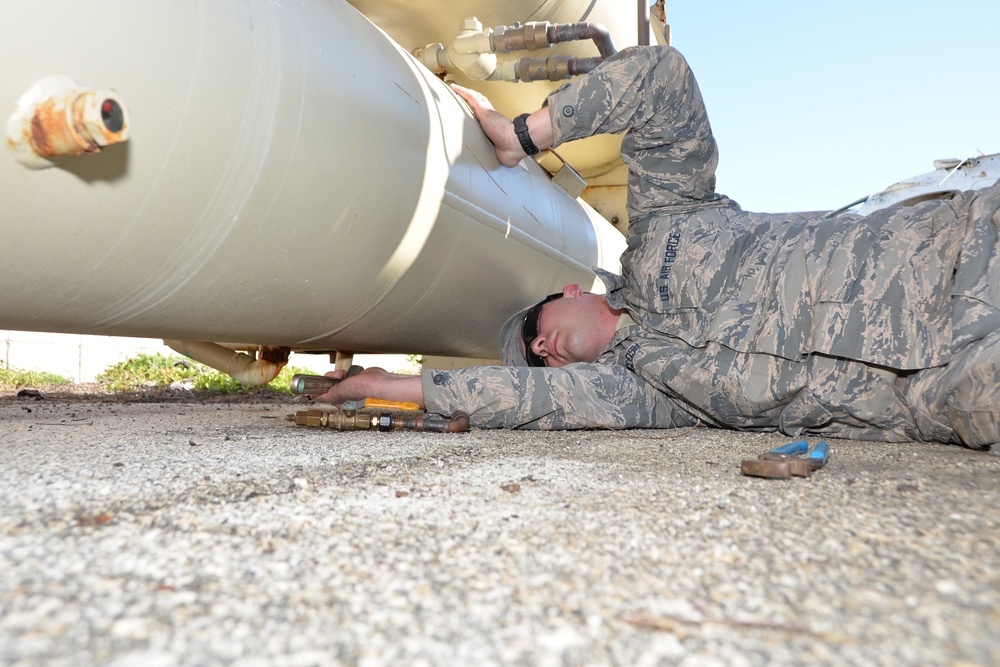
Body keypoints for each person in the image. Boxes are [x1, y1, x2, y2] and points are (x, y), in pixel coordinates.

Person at [317, 46, 1000, 449]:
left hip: (957, 253)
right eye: (536, 360)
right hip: (956, 388)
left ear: (573, 291)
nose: (541, 350)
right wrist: (390, 386)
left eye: (535, 330)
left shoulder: (666, 228)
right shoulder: (643, 392)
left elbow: (663, 81)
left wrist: (522, 134)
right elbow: (522, 400)